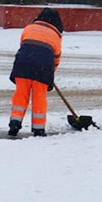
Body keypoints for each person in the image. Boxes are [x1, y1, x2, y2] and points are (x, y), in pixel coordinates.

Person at [8, 8, 64, 137]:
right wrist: (51, 71)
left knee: (20, 95)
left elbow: (23, 45)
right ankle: (38, 129)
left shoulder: (29, 28)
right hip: (43, 67)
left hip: (22, 65)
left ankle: (14, 122)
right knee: (39, 97)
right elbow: (56, 56)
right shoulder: (55, 34)